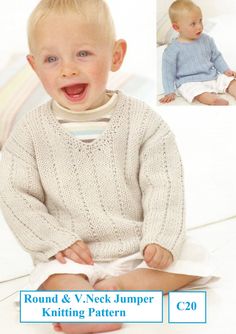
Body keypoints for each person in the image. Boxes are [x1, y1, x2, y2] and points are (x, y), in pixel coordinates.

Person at [0, 1, 212, 333]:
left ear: (115, 55)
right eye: (51, 59)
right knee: (51, 277)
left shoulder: (143, 122)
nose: (67, 69)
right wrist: (55, 240)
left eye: (83, 54)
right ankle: (82, 307)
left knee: (193, 260)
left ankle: (123, 287)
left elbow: (164, 184)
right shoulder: (30, 133)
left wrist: (160, 239)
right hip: (71, 257)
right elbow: (15, 195)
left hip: (138, 245)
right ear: (34, 66)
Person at [160, 0, 236, 105]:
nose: (199, 26)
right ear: (177, 27)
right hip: (189, 81)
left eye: (200, 20)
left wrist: (225, 70)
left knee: (229, 81)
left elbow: (216, 57)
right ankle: (214, 101)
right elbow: (167, 72)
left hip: (212, 76)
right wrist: (169, 91)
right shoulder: (172, 49)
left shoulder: (207, 40)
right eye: (193, 24)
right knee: (194, 91)